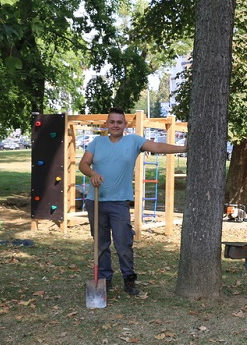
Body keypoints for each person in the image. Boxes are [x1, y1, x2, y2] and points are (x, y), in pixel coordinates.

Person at [78, 107, 187, 295]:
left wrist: (184, 148)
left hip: (119, 202)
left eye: (119, 122)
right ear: (106, 124)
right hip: (95, 201)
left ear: (125, 125)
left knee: (123, 243)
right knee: (101, 244)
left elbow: (158, 147)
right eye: (112, 122)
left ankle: (129, 279)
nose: (115, 125)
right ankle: (104, 280)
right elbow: (83, 164)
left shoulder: (133, 141)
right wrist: (93, 173)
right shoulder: (97, 142)